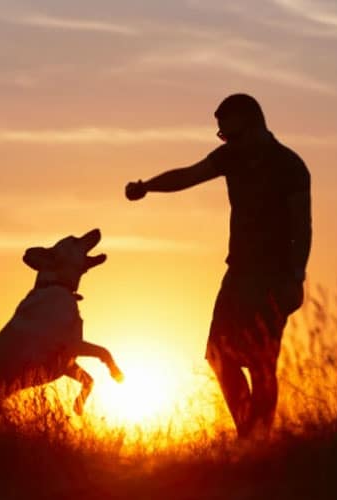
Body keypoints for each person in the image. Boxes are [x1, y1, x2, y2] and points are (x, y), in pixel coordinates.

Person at [124, 94, 312, 438]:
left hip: (274, 276)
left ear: (251, 122)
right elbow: (188, 176)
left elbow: (303, 226)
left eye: (228, 132)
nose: (224, 140)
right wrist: (148, 186)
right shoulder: (231, 158)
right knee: (217, 353)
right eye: (222, 136)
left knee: (261, 364)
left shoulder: (289, 165)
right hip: (238, 272)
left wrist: (295, 277)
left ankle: (259, 442)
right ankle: (249, 436)